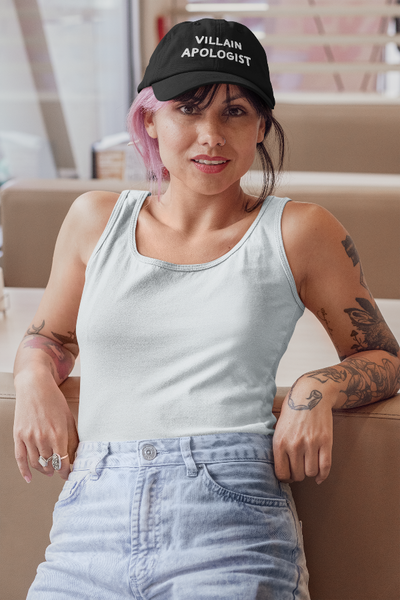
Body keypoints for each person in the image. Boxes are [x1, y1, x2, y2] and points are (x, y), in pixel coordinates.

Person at [13, 18, 400, 600]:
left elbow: (382, 355)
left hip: (229, 518)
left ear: (262, 125)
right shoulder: (94, 220)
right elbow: (50, 337)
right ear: (150, 119)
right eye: (187, 110)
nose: (210, 135)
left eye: (235, 112)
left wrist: (315, 387)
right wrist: (33, 374)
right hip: (87, 522)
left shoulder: (301, 231)